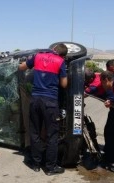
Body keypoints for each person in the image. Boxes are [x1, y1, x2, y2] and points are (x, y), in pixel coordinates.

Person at [18, 43, 68, 175]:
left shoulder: (38, 56)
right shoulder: (61, 61)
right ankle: (50, 168)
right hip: (50, 102)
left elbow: (21, 67)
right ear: (63, 54)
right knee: (52, 135)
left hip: (35, 100)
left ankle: (36, 164)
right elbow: (64, 84)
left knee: (35, 132)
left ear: (53, 49)